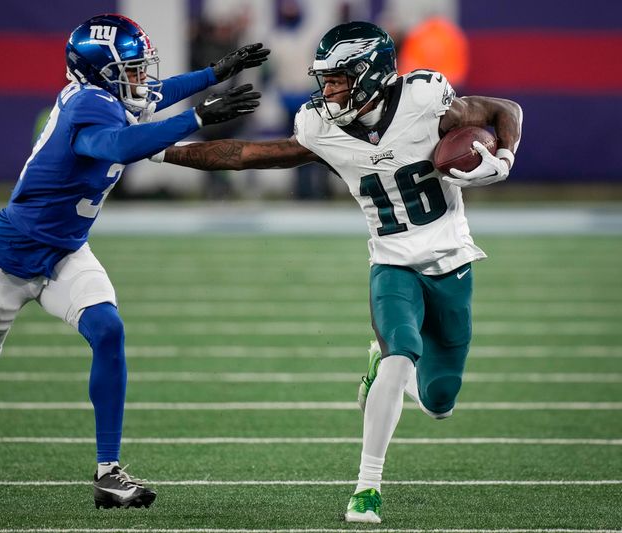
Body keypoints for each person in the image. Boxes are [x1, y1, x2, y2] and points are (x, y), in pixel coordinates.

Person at [0, 13, 268, 510]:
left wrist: (215, 72)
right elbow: (119, 145)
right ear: (102, 72)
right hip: (9, 256)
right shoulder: (90, 108)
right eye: (133, 69)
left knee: (108, 329)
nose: (143, 79)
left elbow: (155, 92)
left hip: (66, 250)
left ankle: (108, 471)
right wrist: (197, 117)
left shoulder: (110, 93)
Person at [150, 21, 522, 523]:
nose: (329, 90)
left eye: (340, 79)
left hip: (451, 260)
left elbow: (506, 111)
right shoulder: (320, 128)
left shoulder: (425, 100)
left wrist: (502, 157)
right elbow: (242, 155)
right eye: (326, 79)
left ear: (373, 74)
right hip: (391, 262)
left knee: (439, 402)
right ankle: (367, 487)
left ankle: (402, 379)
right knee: (399, 356)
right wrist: (157, 149)